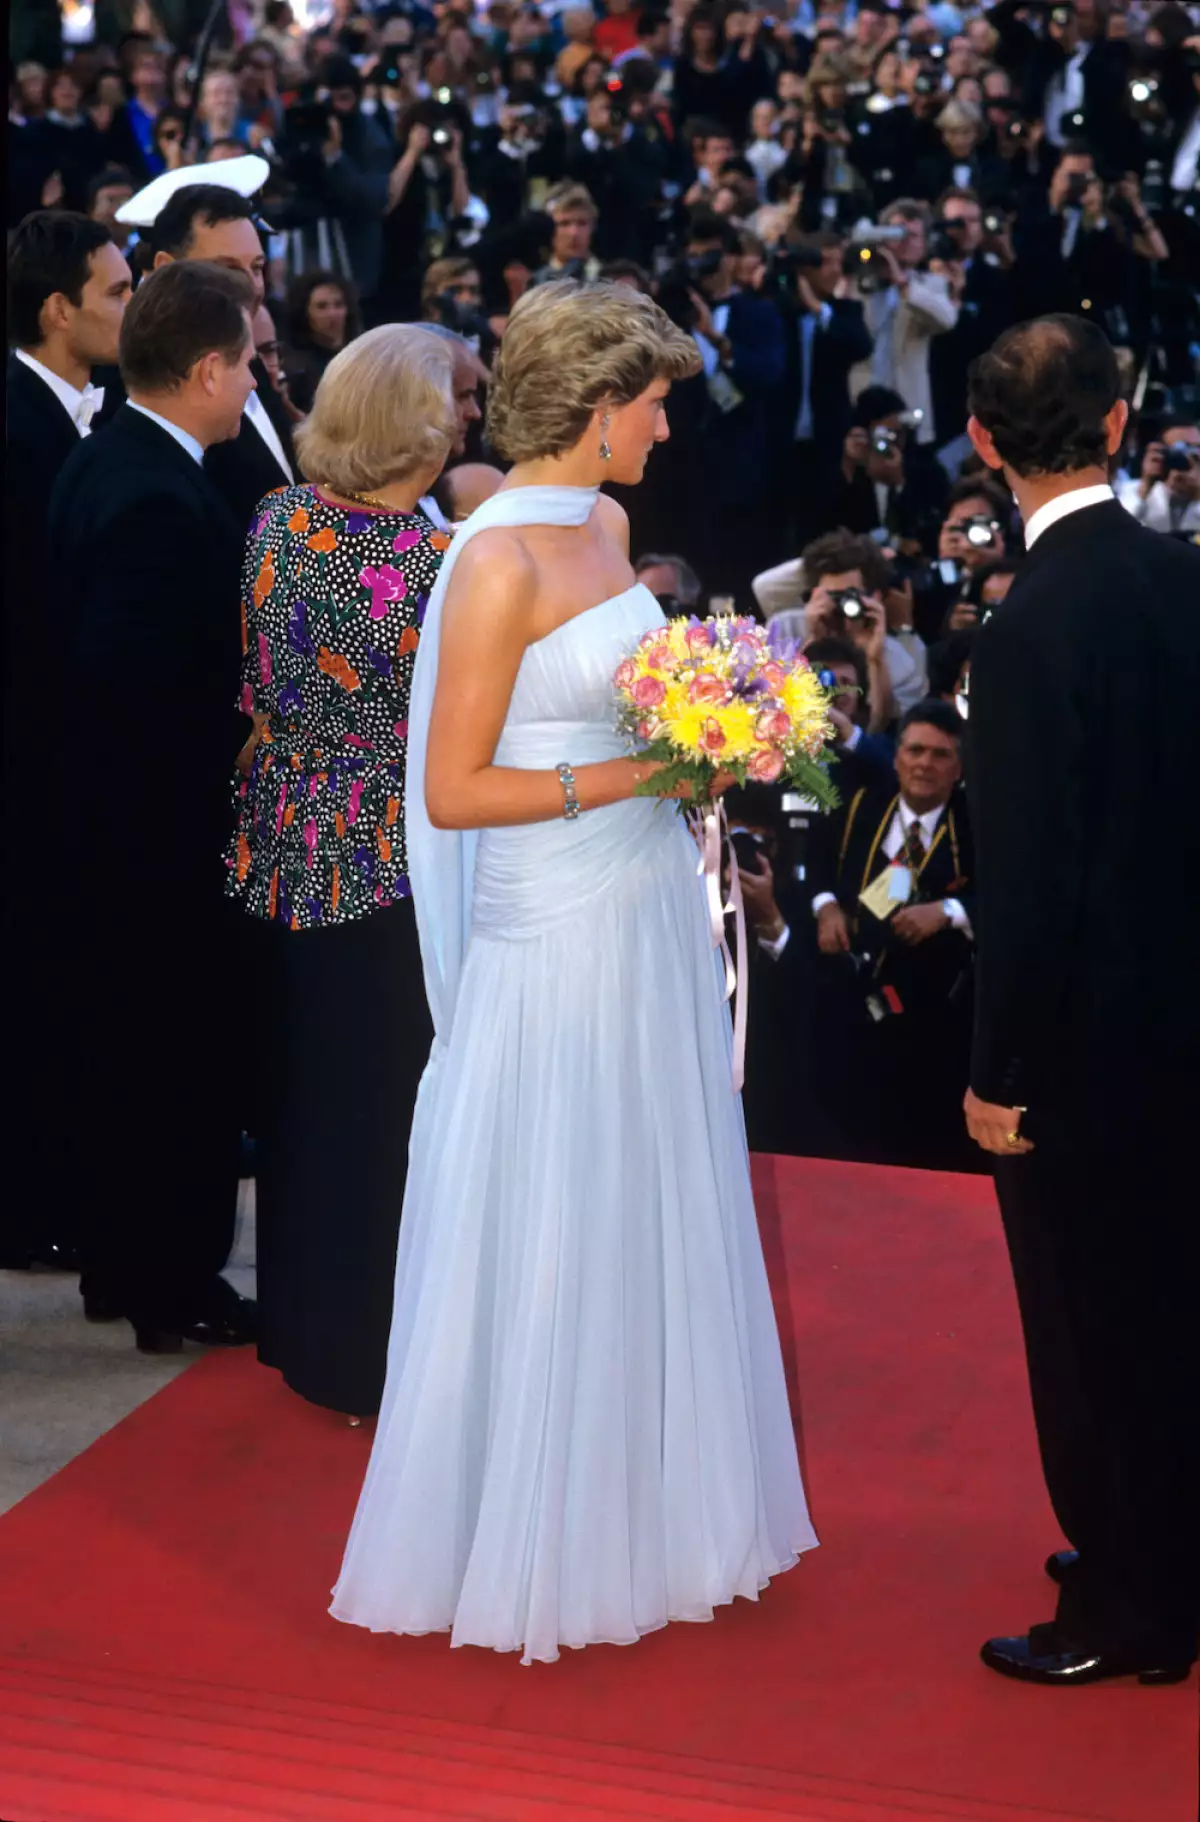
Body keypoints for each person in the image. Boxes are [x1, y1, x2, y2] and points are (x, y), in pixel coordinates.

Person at [332, 280, 817, 1662]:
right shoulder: (493, 559)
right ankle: (537, 1521)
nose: (668, 426)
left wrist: (712, 740)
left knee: (647, 1184)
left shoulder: (602, 526)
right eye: (656, 402)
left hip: (646, 911)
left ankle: (660, 1509)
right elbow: (453, 787)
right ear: (600, 408)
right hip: (550, 933)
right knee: (552, 1199)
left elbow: (625, 697)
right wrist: (647, 769)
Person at [963, 313, 1200, 1684]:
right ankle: (1165, 1549)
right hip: (1184, 1030)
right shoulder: (1182, 580)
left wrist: (1000, 1075)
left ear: (987, 443)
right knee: (1177, 1301)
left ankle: (1124, 1603)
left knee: (1094, 1325)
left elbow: (1029, 891)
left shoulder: (1030, 625)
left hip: (1087, 1058)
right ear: (1118, 424)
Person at [229, 326, 454, 1416]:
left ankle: (310, 1337)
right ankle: (372, 1352)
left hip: (286, 841)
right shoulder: (425, 566)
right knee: (380, 1113)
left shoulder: (279, 517)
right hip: (385, 862)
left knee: (306, 1099)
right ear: (420, 424)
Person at [50, 259, 259, 1354]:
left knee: (126, 1051)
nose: (252, 383)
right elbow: (129, 683)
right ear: (208, 369)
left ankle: (124, 1263)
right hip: (157, 836)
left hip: (119, 830)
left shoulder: (112, 459)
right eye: (245, 364)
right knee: (171, 1056)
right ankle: (172, 1280)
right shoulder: (151, 492)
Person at [3, 209, 132, 1279]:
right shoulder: (16, 424)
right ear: (59, 310)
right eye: (117, 294)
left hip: (61, 758)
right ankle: (31, 1205)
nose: (131, 311)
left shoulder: (76, 415)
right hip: (37, 759)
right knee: (37, 980)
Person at [809, 698, 977, 1172]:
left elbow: (1009, 895)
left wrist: (948, 910)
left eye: (940, 755)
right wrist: (827, 909)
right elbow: (814, 867)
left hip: (938, 1015)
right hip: (853, 997)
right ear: (897, 754)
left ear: (959, 766)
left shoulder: (976, 822)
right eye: (915, 751)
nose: (925, 764)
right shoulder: (860, 803)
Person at [145, 182, 297, 530]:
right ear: (166, 267)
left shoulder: (249, 357)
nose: (252, 287)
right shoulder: (145, 385)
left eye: (257, 267)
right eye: (227, 268)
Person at [283, 267, 360, 413]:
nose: (332, 314)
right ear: (304, 314)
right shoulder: (296, 370)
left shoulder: (362, 357)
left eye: (338, 305)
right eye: (322, 306)